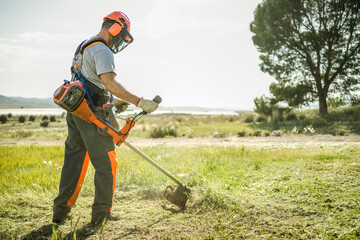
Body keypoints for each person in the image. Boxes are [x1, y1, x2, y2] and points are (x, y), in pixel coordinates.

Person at [53, 11, 158, 225]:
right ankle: (101, 215)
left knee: (74, 162)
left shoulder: (84, 46)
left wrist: (114, 102)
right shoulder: (103, 50)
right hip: (92, 113)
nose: (120, 40)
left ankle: (60, 212)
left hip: (76, 112)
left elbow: (90, 80)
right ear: (115, 28)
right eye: (122, 34)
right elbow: (109, 83)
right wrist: (140, 102)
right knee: (106, 164)